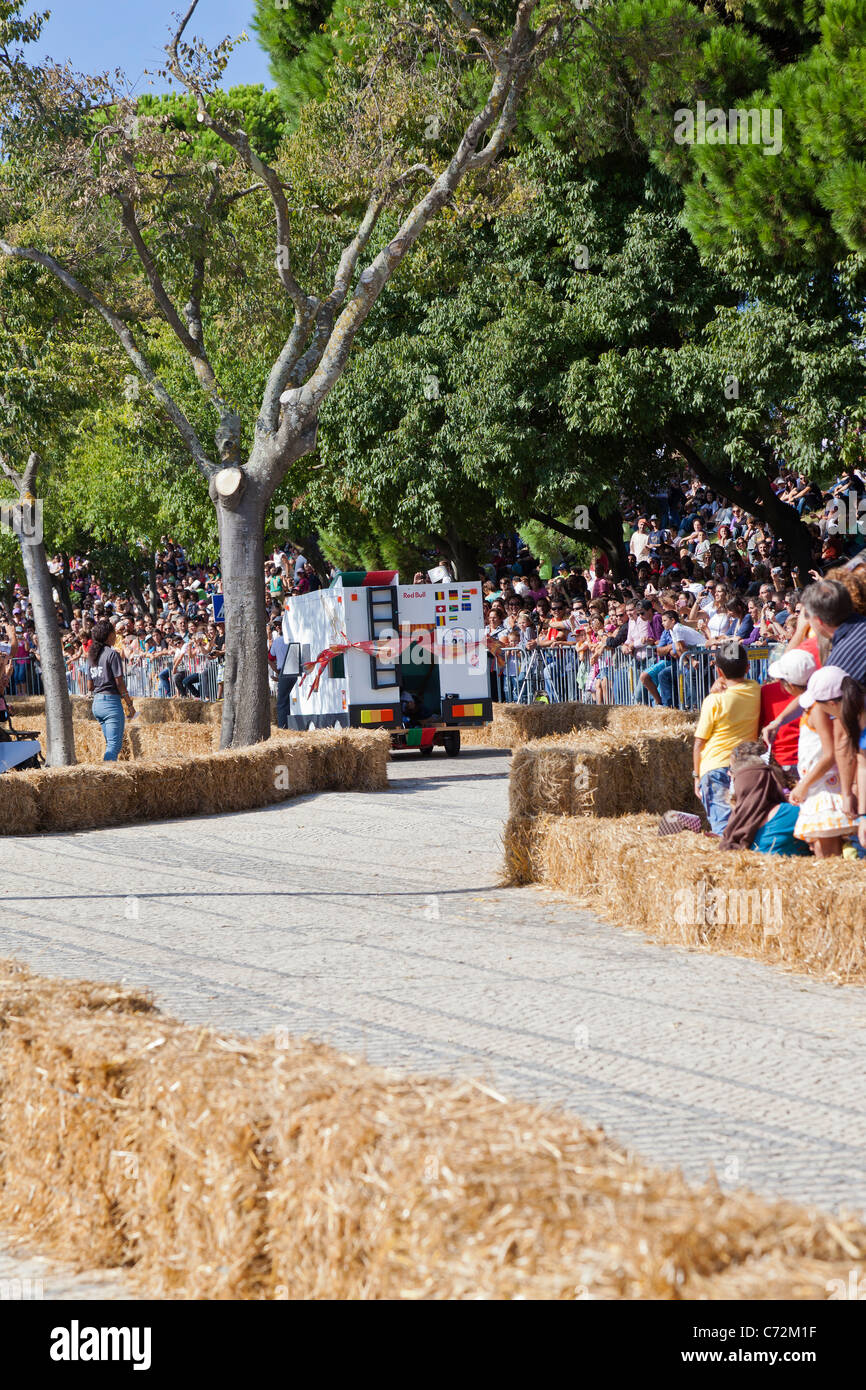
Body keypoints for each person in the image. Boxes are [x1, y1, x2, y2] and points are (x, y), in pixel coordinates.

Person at [692, 643, 761, 834]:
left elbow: (699, 743)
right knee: (746, 824)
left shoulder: (714, 700)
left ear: (718, 670)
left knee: (723, 828)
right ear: (748, 668)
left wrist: (696, 776)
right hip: (745, 766)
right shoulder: (755, 690)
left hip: (714, 767)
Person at [790, 665, 856, 857]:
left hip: (823, 787)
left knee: (827, 853)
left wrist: (804, 785)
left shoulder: (819, 711)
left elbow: (831, 755)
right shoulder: (822, 709)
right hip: (818, 784)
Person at [721, 742, 807, 855]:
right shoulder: (795, 813)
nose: (728, 773)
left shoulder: (736, 824)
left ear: (741, 788)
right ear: (771, 781)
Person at [86, 618, 136, 761]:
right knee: (114, 747)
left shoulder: (91, 656)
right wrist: (129, 704)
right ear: (108, 635)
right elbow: (119, 683)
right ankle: (108, 776)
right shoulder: (112, 654)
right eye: (114, 633)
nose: (115, 636)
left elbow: (90, 686)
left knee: (109, 744)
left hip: (97, 703)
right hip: (111, 703)